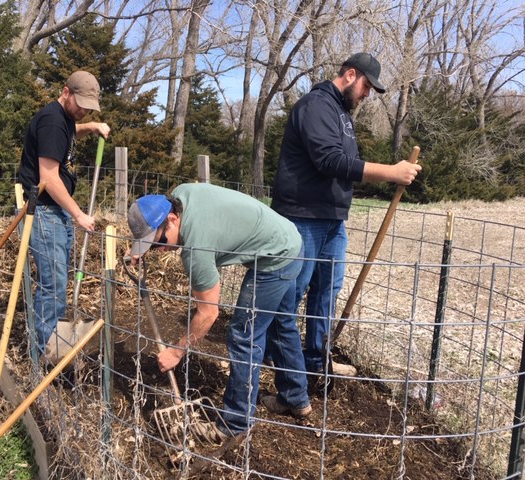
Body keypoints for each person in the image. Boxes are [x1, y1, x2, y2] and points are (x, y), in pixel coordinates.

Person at [271, 52, 422, 379]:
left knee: (326, 293)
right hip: (302, 218)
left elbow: (343, 165)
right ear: (350, 74)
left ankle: (316, 364)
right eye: (367, 86)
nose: (367, 94)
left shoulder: (342, 114)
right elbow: (330, 161)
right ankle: (283, 365)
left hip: (331, 222)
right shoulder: (315, 107)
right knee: (290, 295)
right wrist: (392, 172)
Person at [127, 183, 310, 438]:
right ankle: (296, 398)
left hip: (275, 258)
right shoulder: (181, 195)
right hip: (291, 240)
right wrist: (143, 247)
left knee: (244, 335)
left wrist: (177, 352)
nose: (160, 251)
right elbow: (169, 232)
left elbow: (208, 313)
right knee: (281, 325)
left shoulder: (196, 250)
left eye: (158, 243)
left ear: (171, 218)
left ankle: (235, 424)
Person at [18, 70, 110, 357]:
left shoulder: (65, 121)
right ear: (65, 92)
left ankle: (48, 345)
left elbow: (67, 135)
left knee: (56, 281)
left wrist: (90, 126)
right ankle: (43, 354)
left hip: (53, 212)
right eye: (80, 104)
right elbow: (49, 177)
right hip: (44, 212)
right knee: (53, 285)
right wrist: (79, 214)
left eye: (89, 107)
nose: (83, 111)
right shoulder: (52, 121)